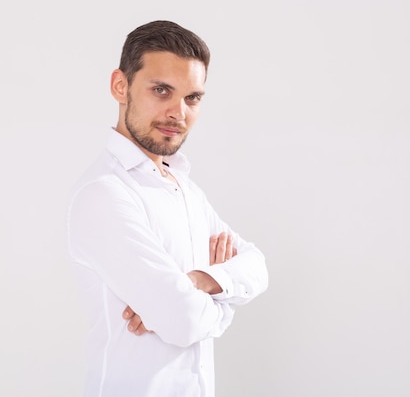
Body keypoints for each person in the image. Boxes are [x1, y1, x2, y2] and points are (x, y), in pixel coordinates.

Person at [66, 20, 269, 397]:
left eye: (192, 97)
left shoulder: (185, 189)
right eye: (161, 90)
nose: (179, 112)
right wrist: (223, 296)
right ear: (120, 86)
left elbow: (257, 265)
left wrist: (199, 281)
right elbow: (184, 321)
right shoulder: (105, 194)